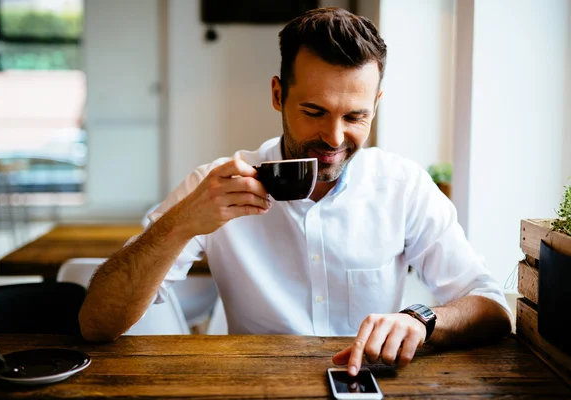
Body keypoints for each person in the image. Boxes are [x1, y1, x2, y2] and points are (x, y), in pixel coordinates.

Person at [79, 7, 512, 376]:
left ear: (376, 105)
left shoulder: (404, 186)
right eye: (314, 111)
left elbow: (492, 307)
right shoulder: (214, 185)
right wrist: (180, 225)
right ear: (278, 94)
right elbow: (97, 323)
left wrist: (423, 319)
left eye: (355, 116)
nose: (334, 137)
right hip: (255, 389)